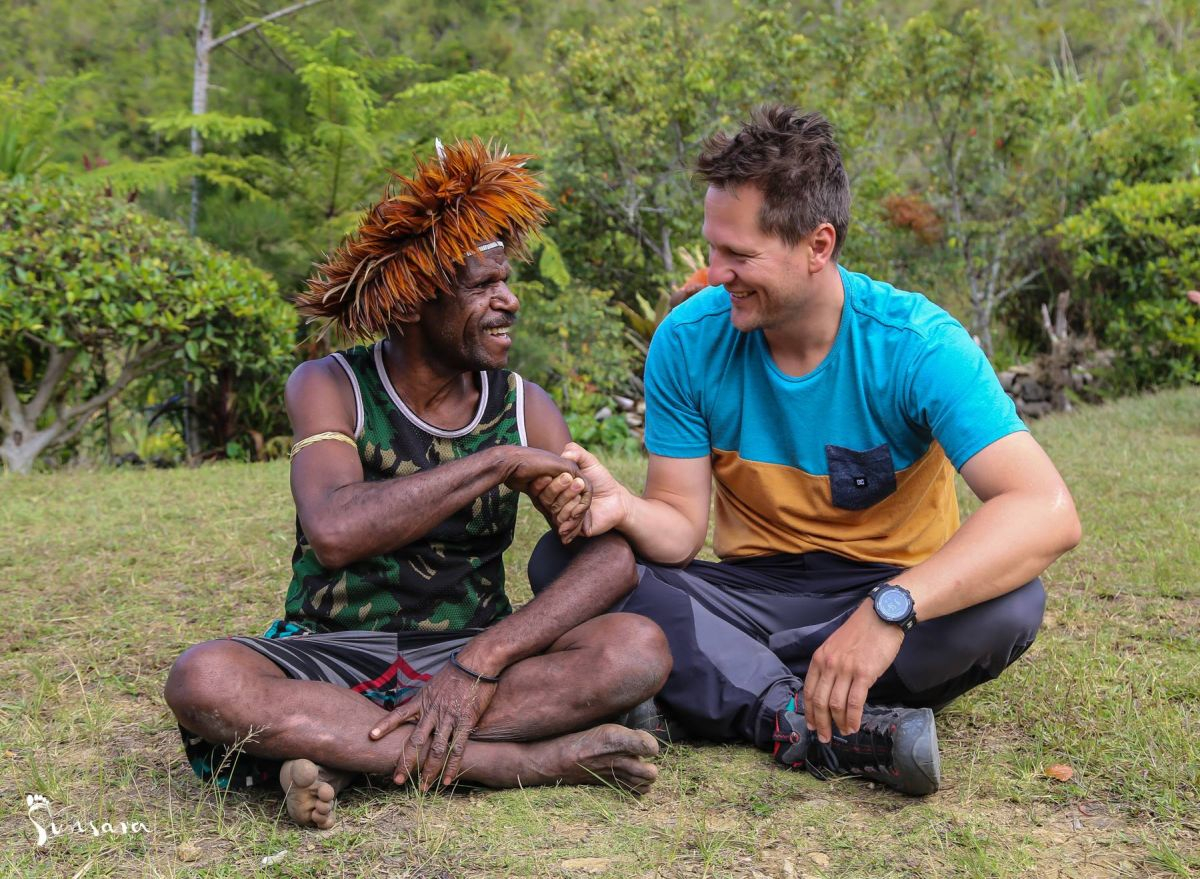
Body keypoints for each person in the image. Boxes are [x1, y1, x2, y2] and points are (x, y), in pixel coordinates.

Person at [531, 106, 1081, 796]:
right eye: (712, 248)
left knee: (1012, 604)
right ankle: (801, 718)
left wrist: (889, 610)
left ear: (817, 245)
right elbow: (676, 529)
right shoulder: (687, 340)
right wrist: (625, 508)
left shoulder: (917, 345)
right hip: (754, 593)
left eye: (739, 254)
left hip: (890, 589)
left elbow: (1047, 509)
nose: (715, 271)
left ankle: (706, 689)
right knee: (570, 559)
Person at [164, 138, 671, 829]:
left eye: (506, 279)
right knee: (203, 678)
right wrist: (496, 464)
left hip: (475, 657)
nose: (509, 300)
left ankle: (345, 750)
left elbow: (609, 558)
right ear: (411, 302)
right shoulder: (330, 384)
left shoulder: (525, 406)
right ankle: (518, 763)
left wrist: (479, 662)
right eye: (482, 285)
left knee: (638, 647)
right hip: (330, 652)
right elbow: (335, 529)